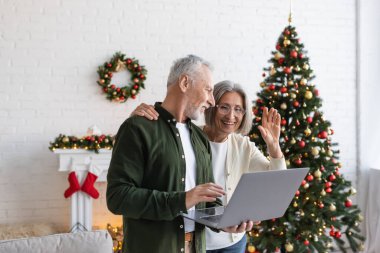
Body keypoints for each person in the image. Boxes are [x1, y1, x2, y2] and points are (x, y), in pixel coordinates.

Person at [106, 56, 253, 253]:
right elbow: (118, 197)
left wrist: (224, 221)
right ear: (185, 83)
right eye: (208, 90)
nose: (211, 101)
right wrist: (181, 200)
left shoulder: (200, 138)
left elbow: (209, 199)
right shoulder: (137, 128)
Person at [132, 80, 286, 253]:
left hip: (232, 243)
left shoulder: (244, 146)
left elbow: (276, 182)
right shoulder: (188, 135)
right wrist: (137, 120)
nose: (231, 116)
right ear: (211, 106)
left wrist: (274, 147)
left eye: (238, 109)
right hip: (193, 241)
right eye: (224, 107)